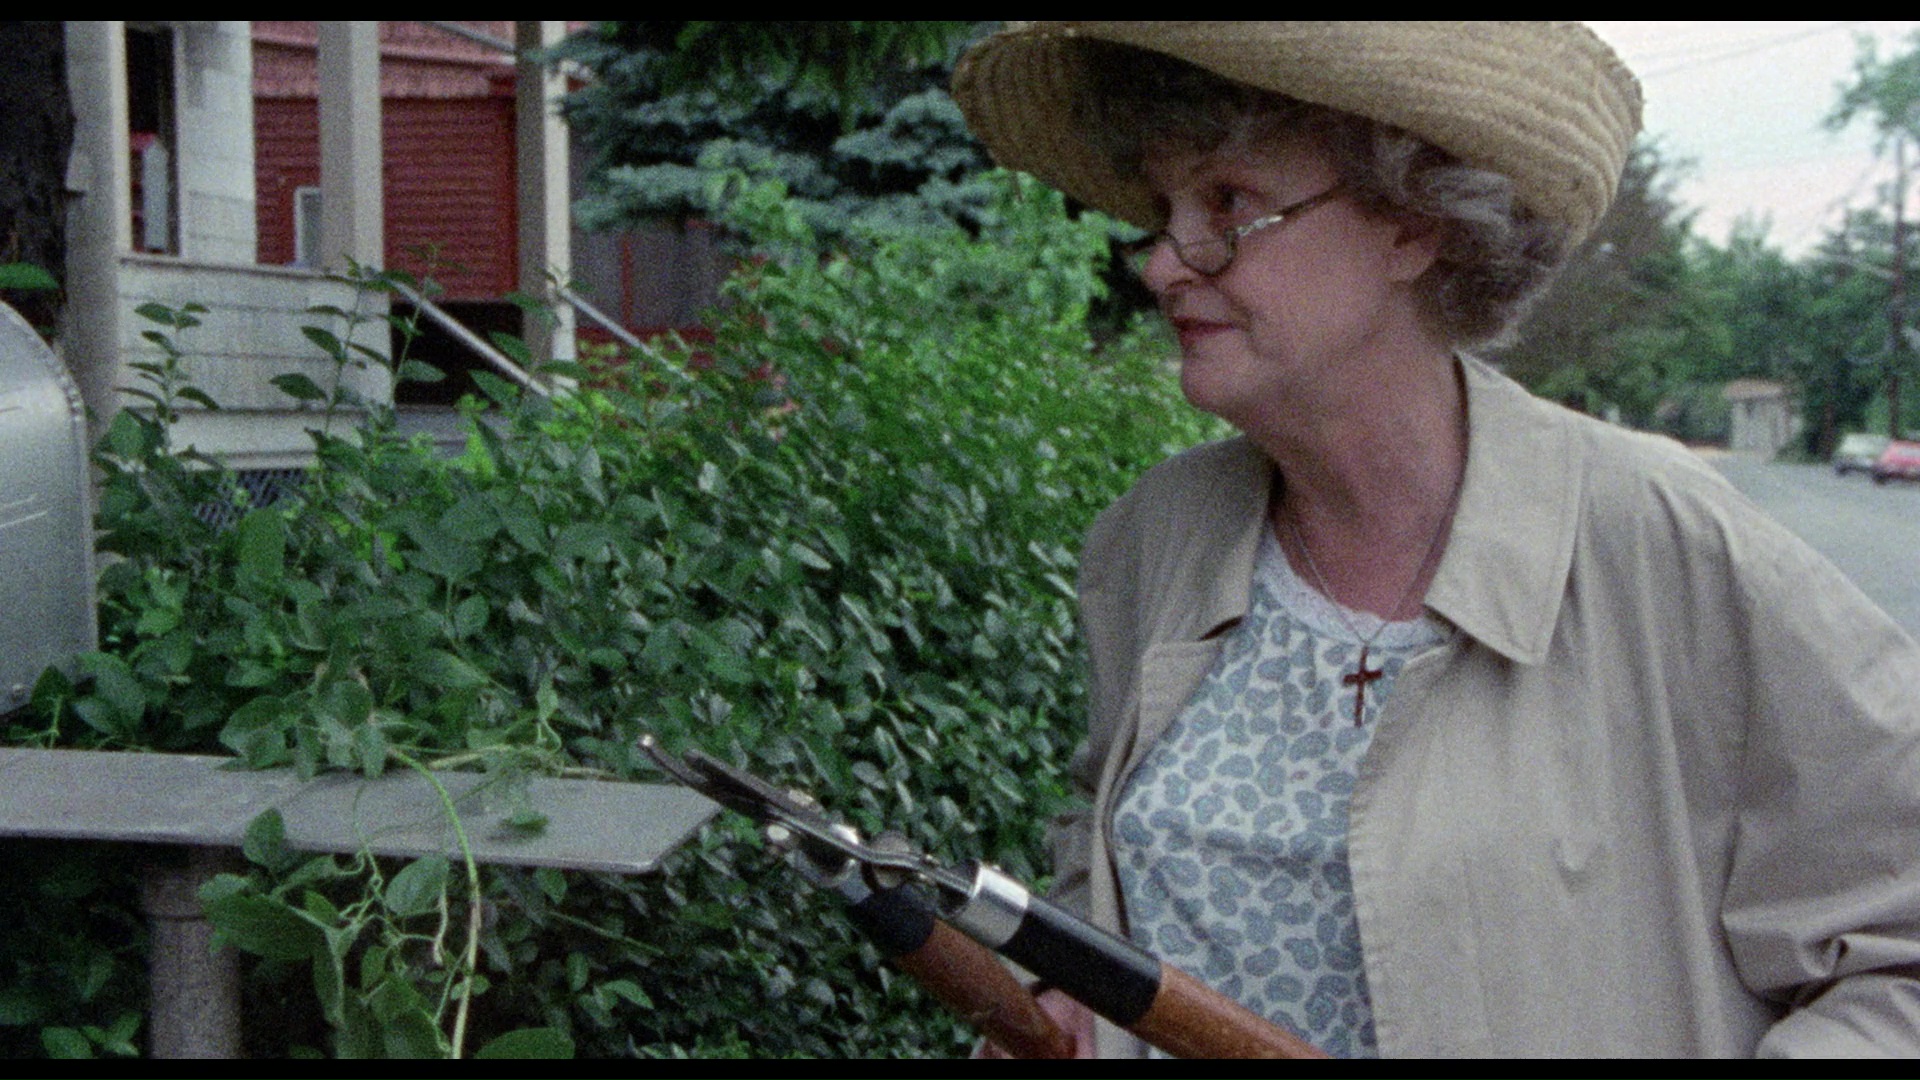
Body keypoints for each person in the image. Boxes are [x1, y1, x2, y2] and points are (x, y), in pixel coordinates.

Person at [951, 22, 1920, 1057]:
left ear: (1412, 227)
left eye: (1226, 205)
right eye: (1163, 212)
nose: (1160, 266)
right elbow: (1108, 839)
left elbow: (1897, 953)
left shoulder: (1665, 542)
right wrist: (1066, 989)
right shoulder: (1159, 534)